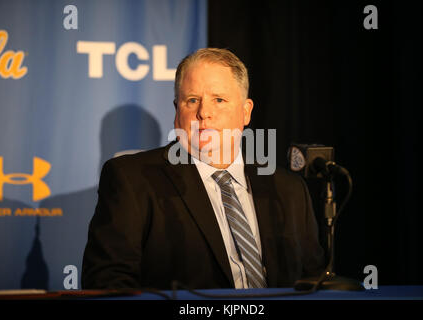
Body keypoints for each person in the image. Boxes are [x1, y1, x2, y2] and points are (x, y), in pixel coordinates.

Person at [82, 48, 325, 290]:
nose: (204, 113)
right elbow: (107, 283)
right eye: (192, 100)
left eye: (218, 100)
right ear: (177, 111)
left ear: (246, 111)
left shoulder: (288, 190)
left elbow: (314, 283)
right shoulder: (132, 179)